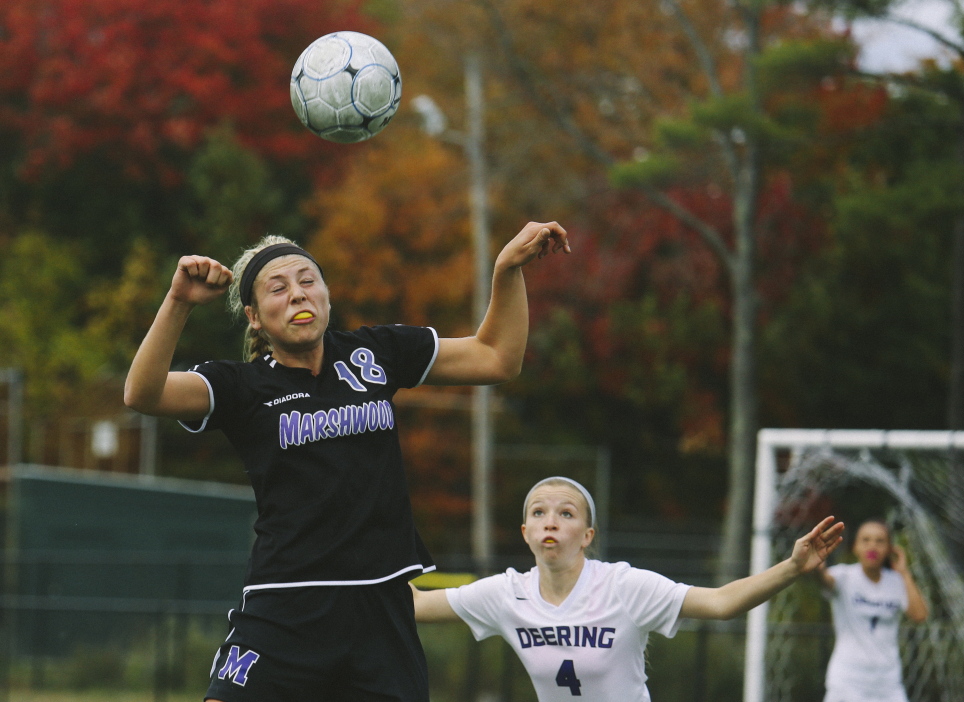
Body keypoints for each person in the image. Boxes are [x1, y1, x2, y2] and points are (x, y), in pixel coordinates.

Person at [123, 221, 569, 702]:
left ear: (327, 296)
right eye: (279, 287)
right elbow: (142, 393)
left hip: (381, 611)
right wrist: (179, 302)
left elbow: (498, 357)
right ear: (254, 317)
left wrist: (506, 270)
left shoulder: (375, 353)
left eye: (308, 281)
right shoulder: (242, 387)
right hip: (286, 607)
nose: (298, 295)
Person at [411, 476, 845, 702]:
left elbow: (721, 602)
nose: (551, 521)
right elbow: (413, 605)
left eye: (566, 513)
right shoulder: (508, 593)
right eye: (539, 513)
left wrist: (791, 567)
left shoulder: (622, 585)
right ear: (526, 532)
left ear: (587, 535)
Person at [816, 519, 928, 702]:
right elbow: (824, 580)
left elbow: (920, 615)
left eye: (880, 541)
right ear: (855, 547)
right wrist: (817, 569)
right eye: (866, 540)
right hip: (847, 682)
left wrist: (905, 573)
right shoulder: (843, 576)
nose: (872, 546)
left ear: (890, 549)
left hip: (888, 684)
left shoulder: (897, 581)